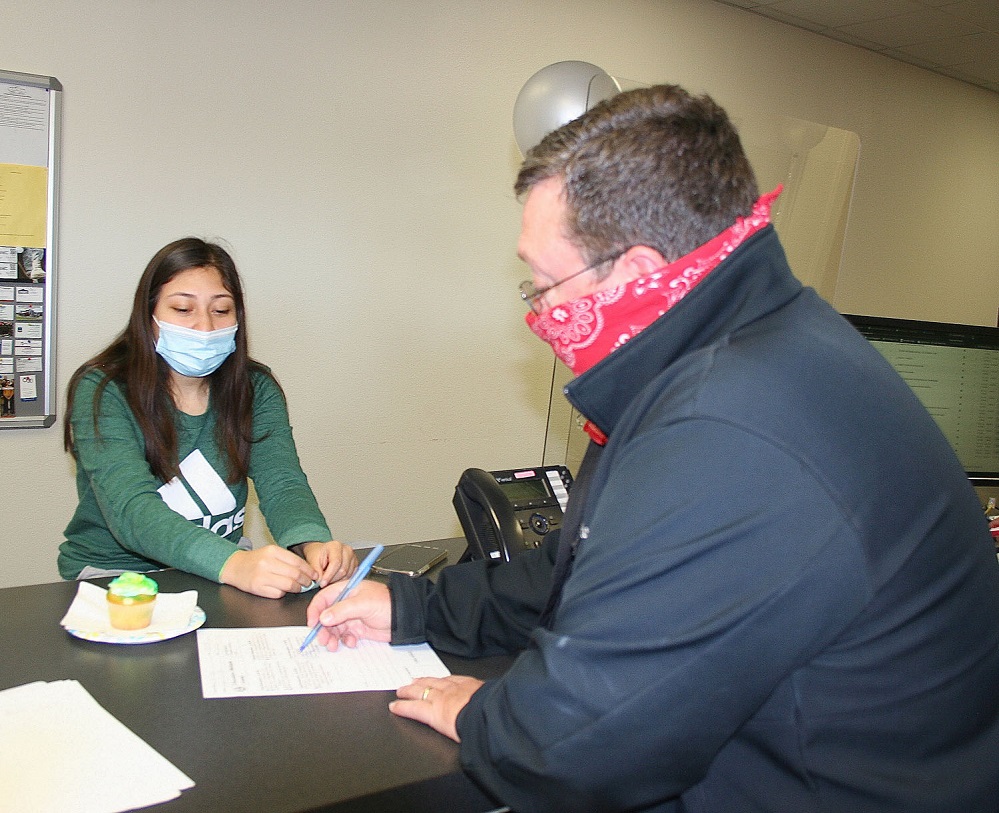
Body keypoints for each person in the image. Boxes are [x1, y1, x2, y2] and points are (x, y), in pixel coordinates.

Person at [307, 85, 999, 812]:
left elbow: (573, 746)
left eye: (543, 284)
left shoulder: (725, 426)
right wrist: (416, 607)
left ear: (635, 276)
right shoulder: (759, 341)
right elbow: (594, 567)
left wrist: (481, 715)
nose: (537, 310)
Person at [60, 237, 356, 598]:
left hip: (220, 571)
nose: (205, 327)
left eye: (221, 310)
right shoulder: (104, 389)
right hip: (117, 577)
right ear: (149, 314)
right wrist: (234, 565)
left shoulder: (255, 388)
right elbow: (131, 511)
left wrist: (312, 542)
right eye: (183, 310)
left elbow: (282, 483)